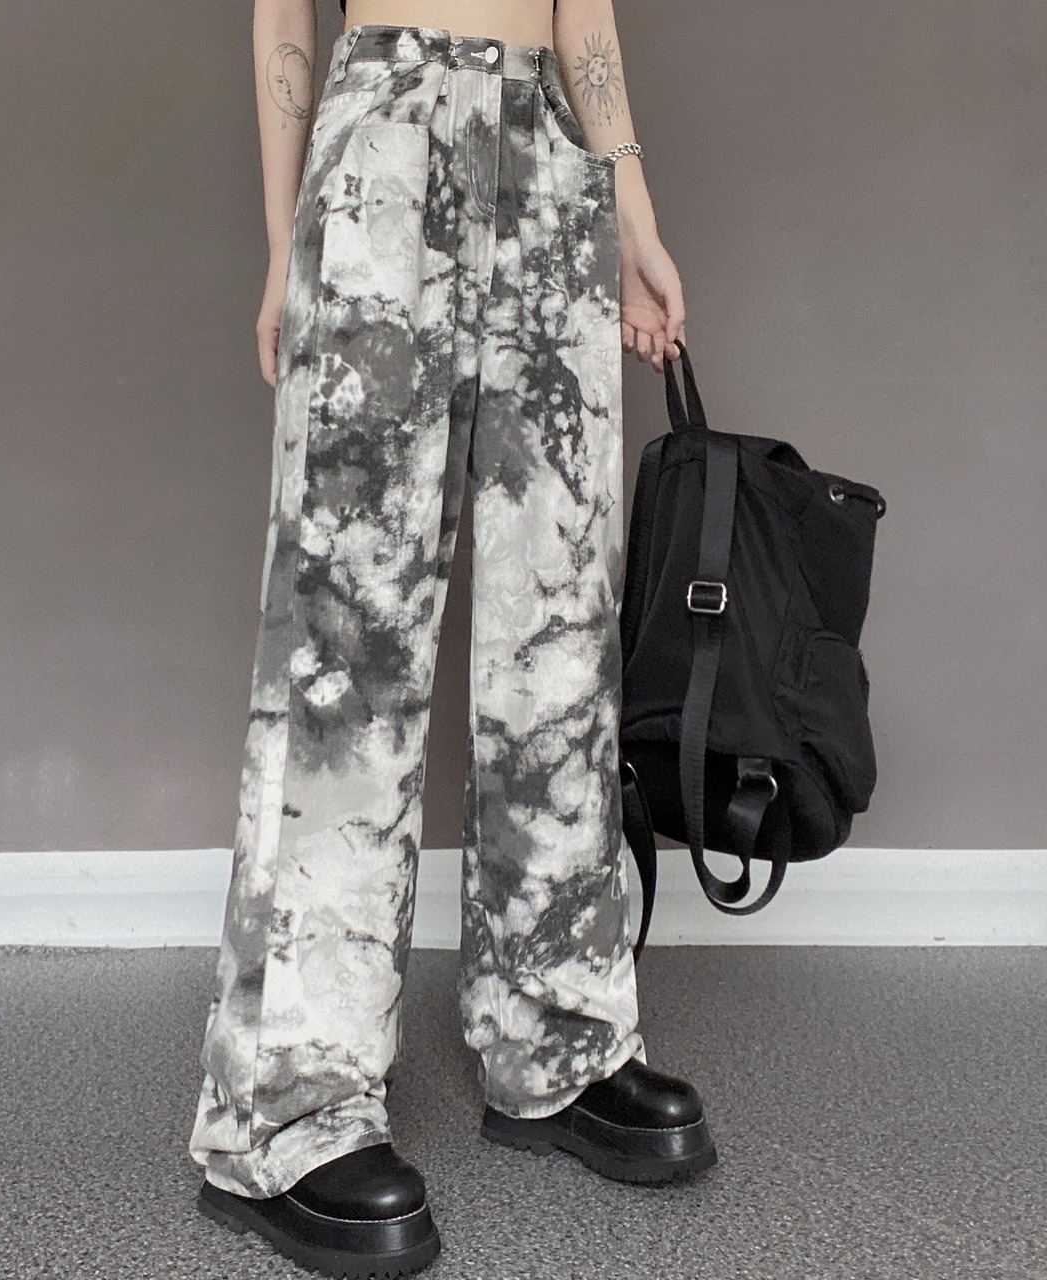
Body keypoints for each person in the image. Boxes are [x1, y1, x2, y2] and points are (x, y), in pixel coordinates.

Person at [190, 0, 715, 1273]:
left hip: (547, 151)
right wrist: (284, 241)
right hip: (383, 130)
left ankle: (556, 1039)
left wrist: (630, 205)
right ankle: (285, 1108)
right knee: (345, 641)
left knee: (561, 628)